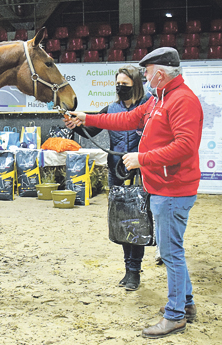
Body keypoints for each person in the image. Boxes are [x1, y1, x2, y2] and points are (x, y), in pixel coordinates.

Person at [67, 47, 204, 339]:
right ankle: (187, 304)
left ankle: (175, 315)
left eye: (148, 70)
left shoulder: (182, 100)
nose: (145, 76)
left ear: (161, 73)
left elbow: (185, 147)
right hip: (164, 187)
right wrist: (87, 118)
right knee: (172, 250)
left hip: (173, 189)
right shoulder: (159, 98)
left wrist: (143, 159)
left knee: (170, 253)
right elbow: (125, 120)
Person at [63, 65, 151, 291]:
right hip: (117, 174)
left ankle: (135, 271)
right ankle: (127, 269)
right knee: (122, 222)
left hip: (141, 174)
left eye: (125, 85)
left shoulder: (148, 106)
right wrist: (75, 125)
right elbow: (89, 130)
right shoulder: (111, 108)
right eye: (118, 85)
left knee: (137, 222)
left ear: (136, 85)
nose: (120, 88)